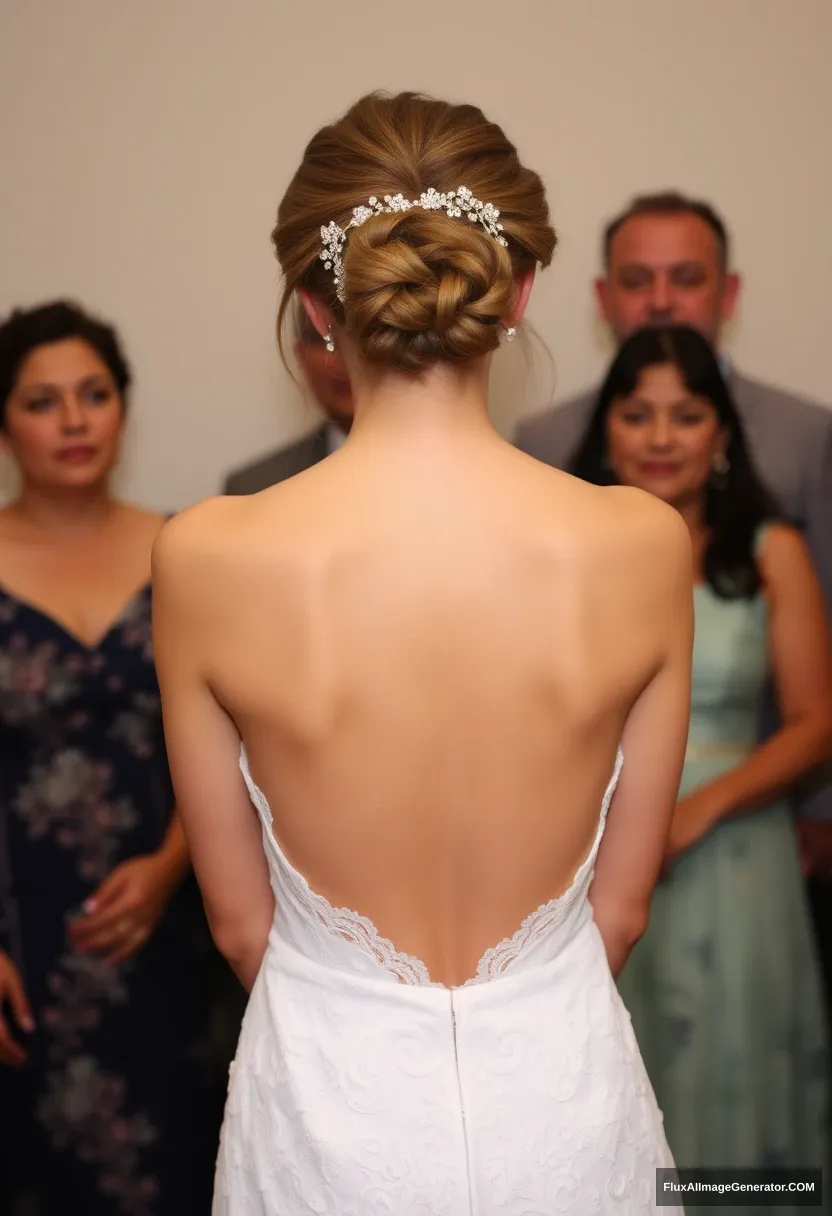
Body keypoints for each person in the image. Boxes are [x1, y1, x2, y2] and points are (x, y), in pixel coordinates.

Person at [152, 91, 694, 1213]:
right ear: (518, 291)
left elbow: (242, 926)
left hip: (322, 1115)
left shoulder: (206, 555)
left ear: (314, 304)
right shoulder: (641, 542)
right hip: (564, 1097)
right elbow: (622, 911)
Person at [513, 189, 832, 1003]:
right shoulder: (544, 451)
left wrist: (811, 810)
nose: (661, 437)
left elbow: (814, 693)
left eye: (685, 277)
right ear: (602, 295)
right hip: (581, 835)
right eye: (639, 278)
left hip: (747, 834)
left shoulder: (802, 444)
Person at [569, 323, 830, 1194]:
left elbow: (815, 721)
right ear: (606, 428)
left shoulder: (771, 553)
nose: (659, 437)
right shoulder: (565, 559)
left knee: (731, 1079)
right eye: (637, 414)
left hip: (734, 857)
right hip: (588, 853)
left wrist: (699, 808)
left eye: (685, 416)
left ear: (721, 432)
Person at [0, 301, 215, 1215]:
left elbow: (233, 731)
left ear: (125, 408)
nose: (75, 420)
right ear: (5, 422)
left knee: (186, 1158)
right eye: (43, 402)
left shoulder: (189, 547)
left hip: (177, 917)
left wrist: (172, 866)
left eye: (94, 394)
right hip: (24, 941)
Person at [223, 300, 354, 494]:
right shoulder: (255, 490)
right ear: (301, 355)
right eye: (327, 341)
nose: (343, 361)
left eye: (358, 341)